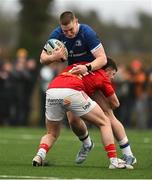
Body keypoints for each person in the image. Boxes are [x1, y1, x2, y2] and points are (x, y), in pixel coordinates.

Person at [40, 11, 136, 166]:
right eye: (65, 31)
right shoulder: (57, 34)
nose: (69, 33)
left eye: (71, 29)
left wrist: (88, 67)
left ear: (76, 22)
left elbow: (102, 58)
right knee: (73, 120)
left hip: (91, 74)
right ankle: (86, 144)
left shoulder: (87, 33)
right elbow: (42, 58)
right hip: (74, 79)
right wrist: (53, 57)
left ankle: (128, 153)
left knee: (108, 114)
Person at [32, 59, 133, 169]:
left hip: (52, 90)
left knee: (54, 132)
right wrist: (103, 104)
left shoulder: (74, 65)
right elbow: (115, 103)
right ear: (107, 69)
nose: (113, 77)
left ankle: (39, 155)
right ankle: (114, 160)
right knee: (105, 121)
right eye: (113, 74)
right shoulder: (101, 74)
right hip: (72, 92)